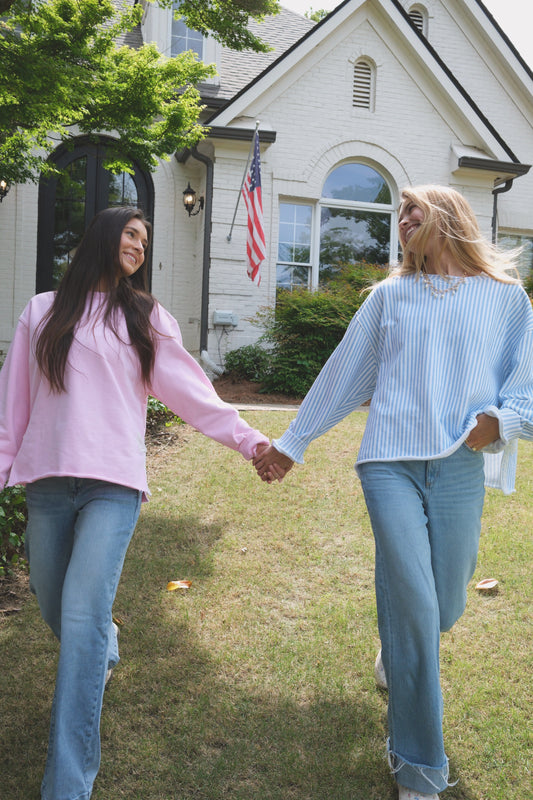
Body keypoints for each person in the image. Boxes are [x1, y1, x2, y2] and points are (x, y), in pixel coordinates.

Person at [254, 185, 533, 800]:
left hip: (459, 465)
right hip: (388, 464)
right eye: (399, 212)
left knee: (443, 606)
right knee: (414, 604)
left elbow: (526, 388)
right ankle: (418, 766)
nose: (402, 219)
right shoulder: (389, 296)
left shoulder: (506, 299)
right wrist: (293, 442)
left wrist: (501, 423)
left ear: (448, 216)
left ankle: (398, 647)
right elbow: (344, 374)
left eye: (412, 209)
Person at [0, 206, 271, 800]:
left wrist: (251, 441)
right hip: (47, 482)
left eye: (145, 239)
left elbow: (194, 394)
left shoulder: (145, 317)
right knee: (54, 604)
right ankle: (105, 644)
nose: (139, 246)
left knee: (81, 620)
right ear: (103, 237)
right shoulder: (42, 311)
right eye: (130, 233)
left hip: (113, 486)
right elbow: (12, 406)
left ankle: (66, 785)